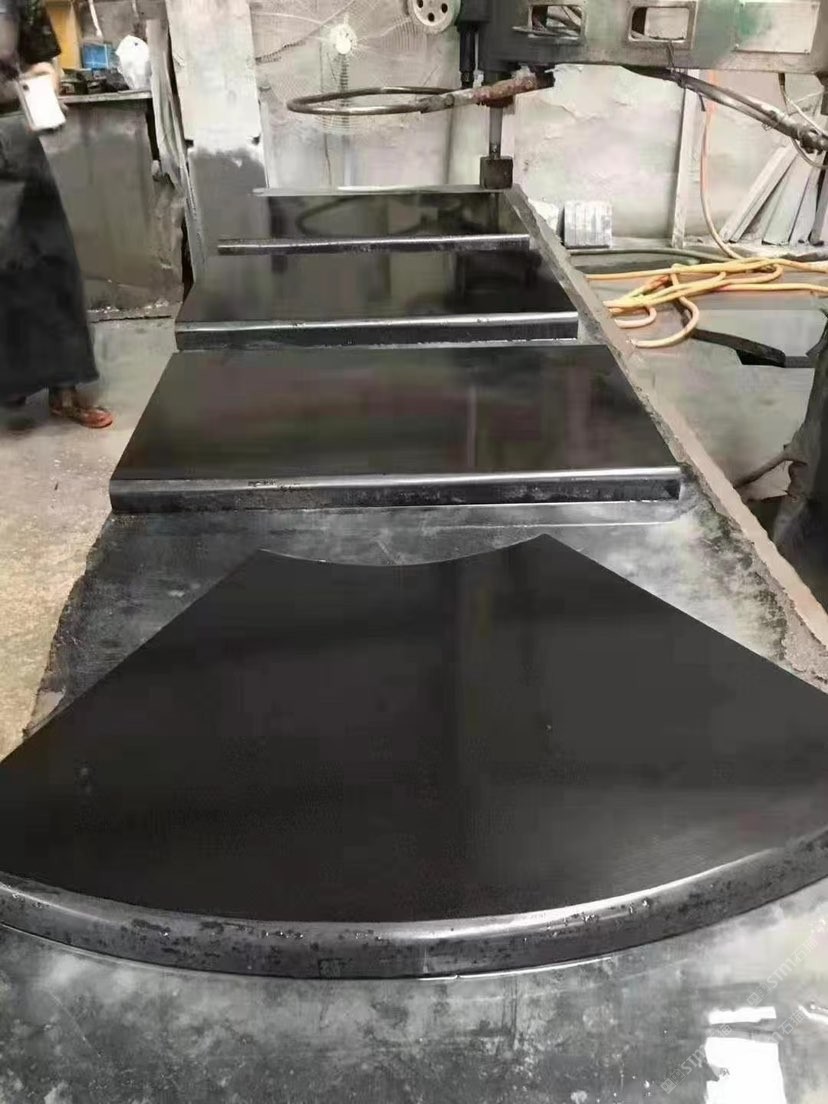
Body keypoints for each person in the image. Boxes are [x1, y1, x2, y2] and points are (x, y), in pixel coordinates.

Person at [0, 0, 111, 427]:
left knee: (50, 262)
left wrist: (42, 92)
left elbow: (44, 62)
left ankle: (65, 391)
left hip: (15, 137)